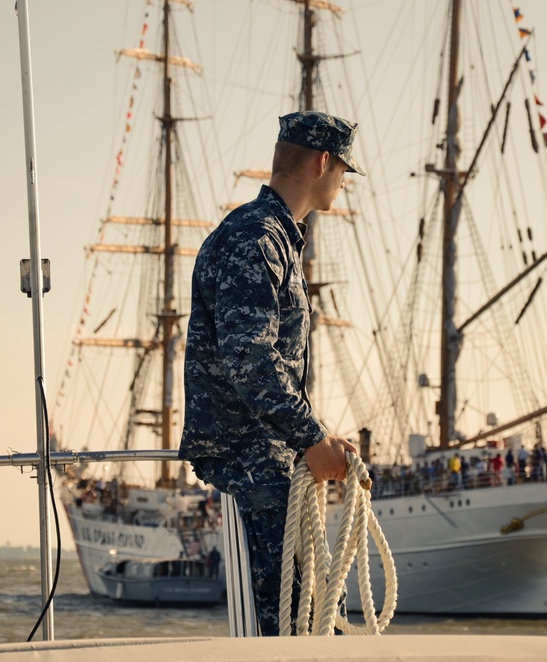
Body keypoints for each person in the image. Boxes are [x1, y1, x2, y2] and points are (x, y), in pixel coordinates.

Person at [179, 110, 363, 635]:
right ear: (323, 162)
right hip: (256, 460)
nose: (343, 183)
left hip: (270, 457)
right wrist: (311, 438)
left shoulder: (272, 236)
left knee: (313, 613)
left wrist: (318, 437)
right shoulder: (256, 239)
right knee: (294, 624)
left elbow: (265, 362)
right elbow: (252, 360)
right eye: (343, 171)